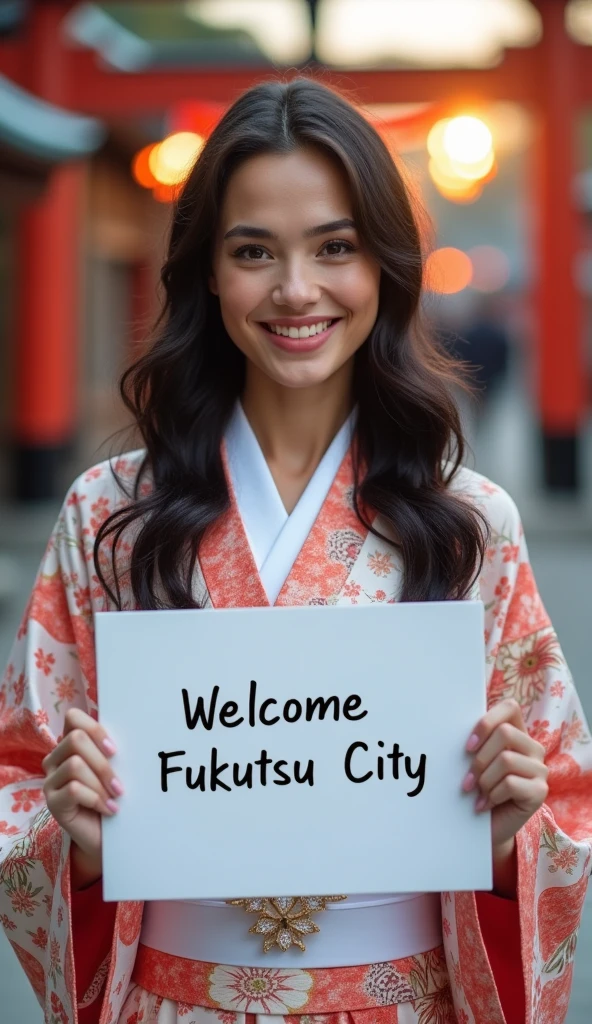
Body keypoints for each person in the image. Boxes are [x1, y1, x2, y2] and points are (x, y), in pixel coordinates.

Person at [0, 78, 590, 1024]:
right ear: (206, 272)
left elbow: (564, 795)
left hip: (406, 999)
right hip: (173, 998)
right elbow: (18, 783)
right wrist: (69, 840)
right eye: (252, 252)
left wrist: (514, 832)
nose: (296, 290)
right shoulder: (106, 515)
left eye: (335, 248)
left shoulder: (468, 521)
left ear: (386, 267)